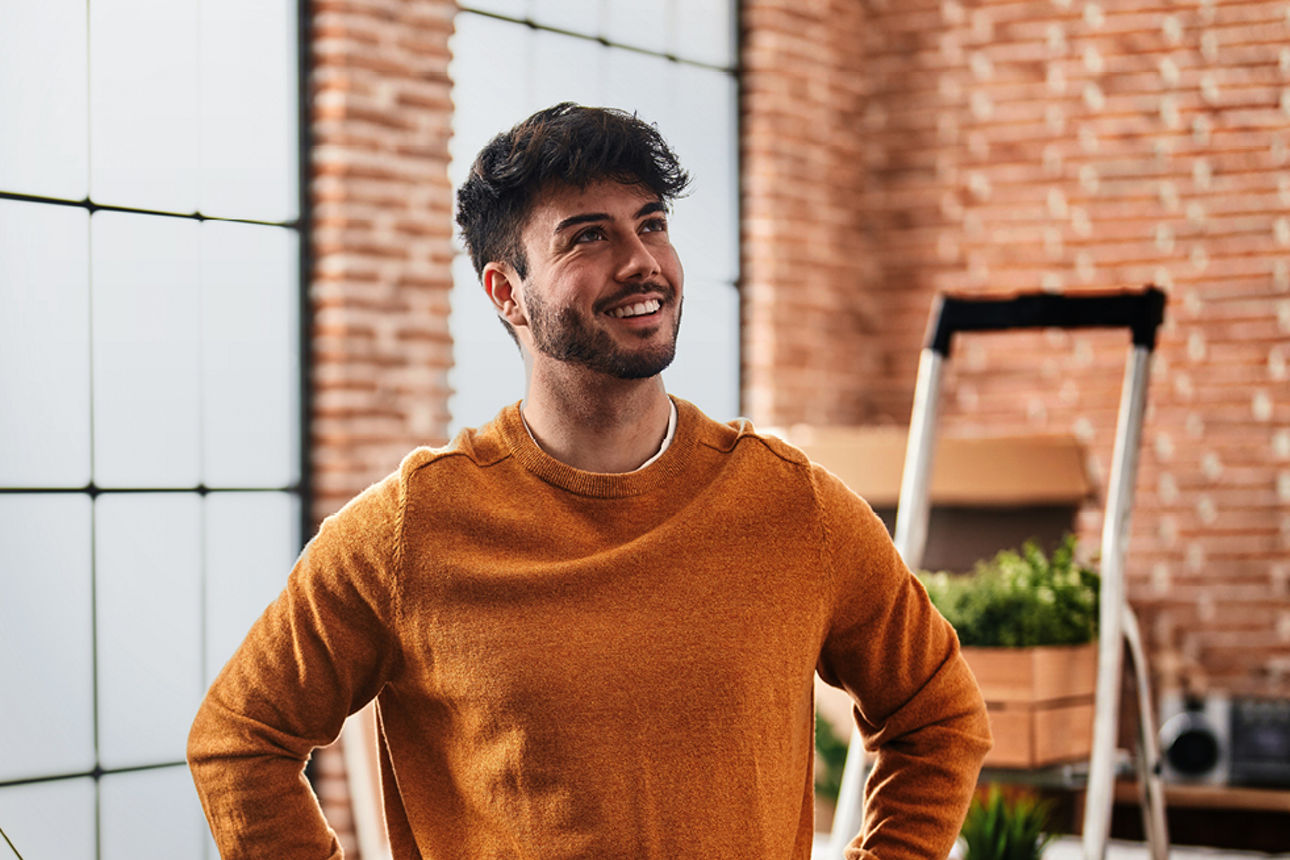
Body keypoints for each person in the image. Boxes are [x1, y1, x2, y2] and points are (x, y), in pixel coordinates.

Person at [188, 102, 991, 859]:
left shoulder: (791, 505)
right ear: (507, 292)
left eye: (652, 225)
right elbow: (239, 739)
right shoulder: (410, 532)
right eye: (587, 238)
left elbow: (938, 714)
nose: (641, 262)